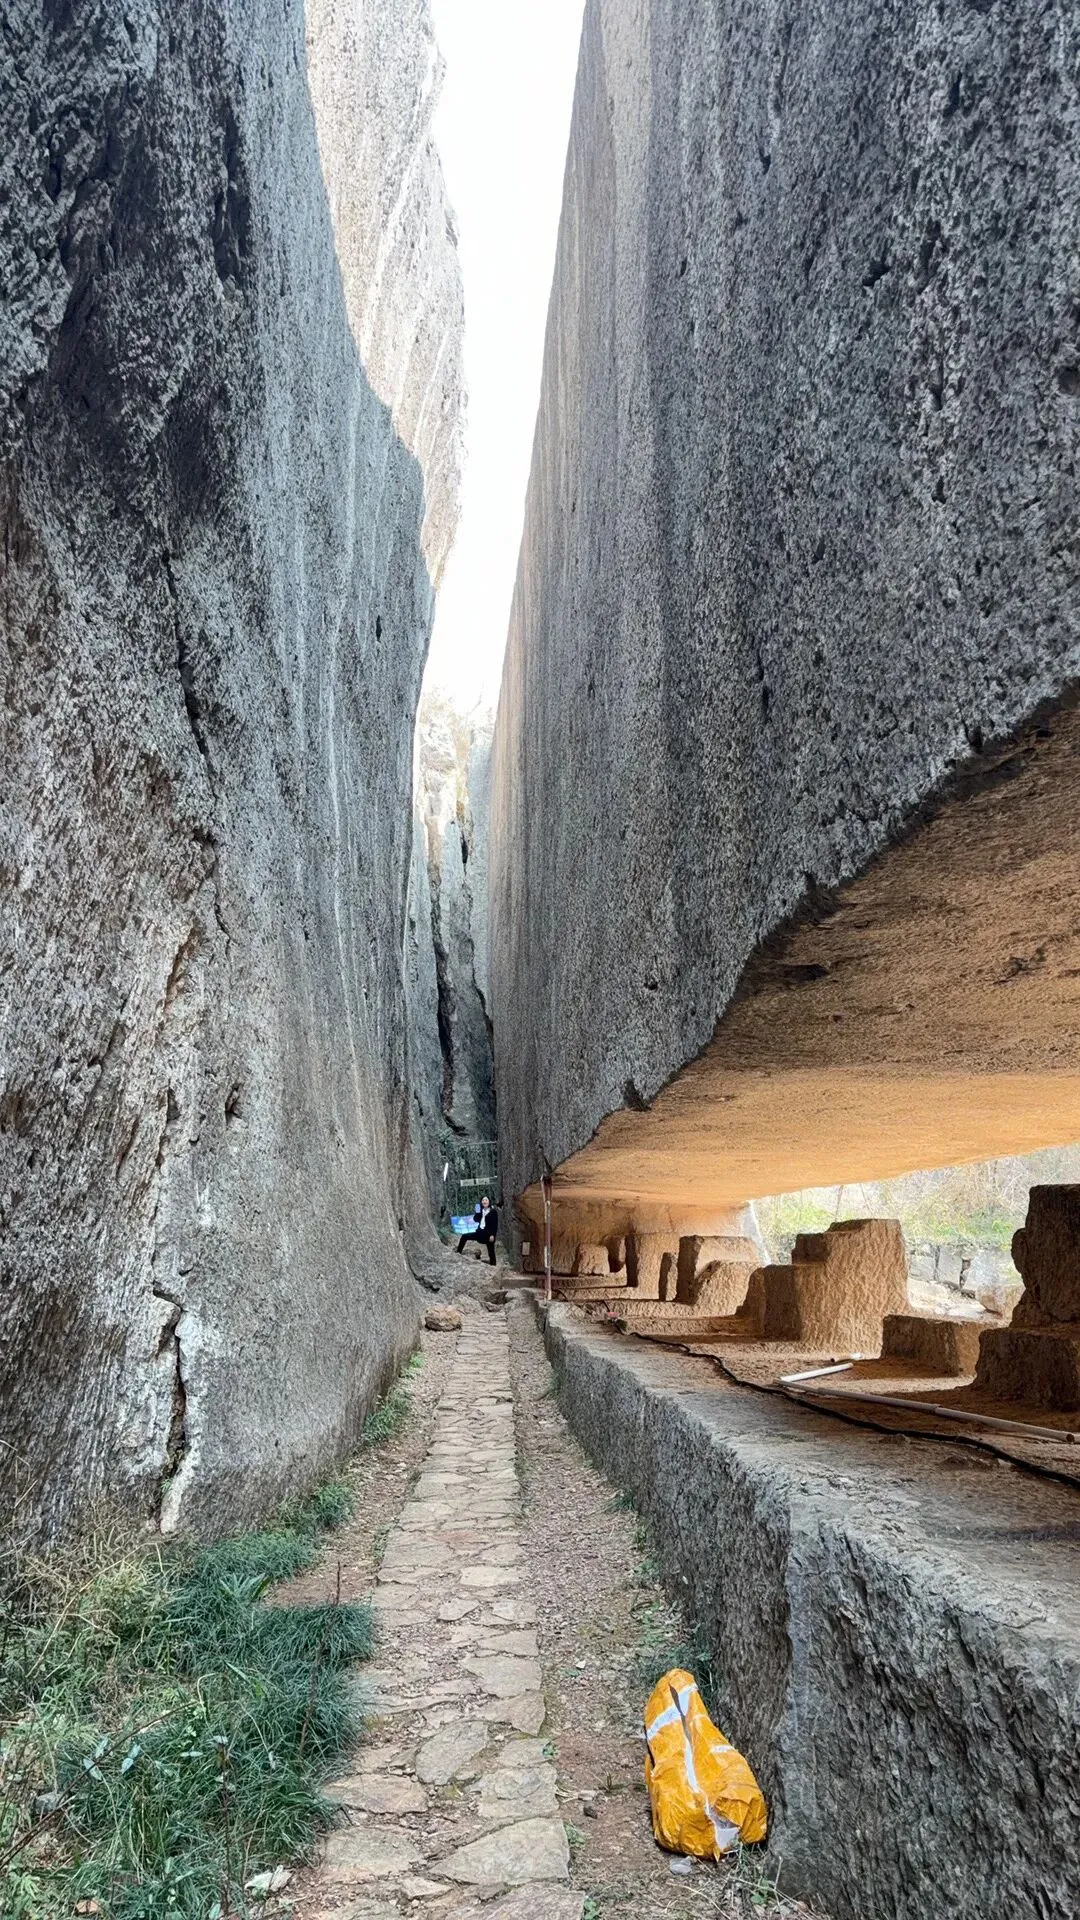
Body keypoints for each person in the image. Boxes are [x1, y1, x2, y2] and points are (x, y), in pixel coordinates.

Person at [457, 1194, 499, 1266]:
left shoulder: (493, 1211)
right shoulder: (480, 1211)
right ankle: (458, 1252)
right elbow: (475, 1219)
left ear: (489, 1202)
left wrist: (492, 1235)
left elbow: (495, 1224)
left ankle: (493, 1264)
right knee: (464, 1236)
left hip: (488, 1234)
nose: (484, 1201)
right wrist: (477, 1212)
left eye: (486, 1200)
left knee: (491, 1251)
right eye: (483, 1200)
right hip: (479, 1233)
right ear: (481, 1202)